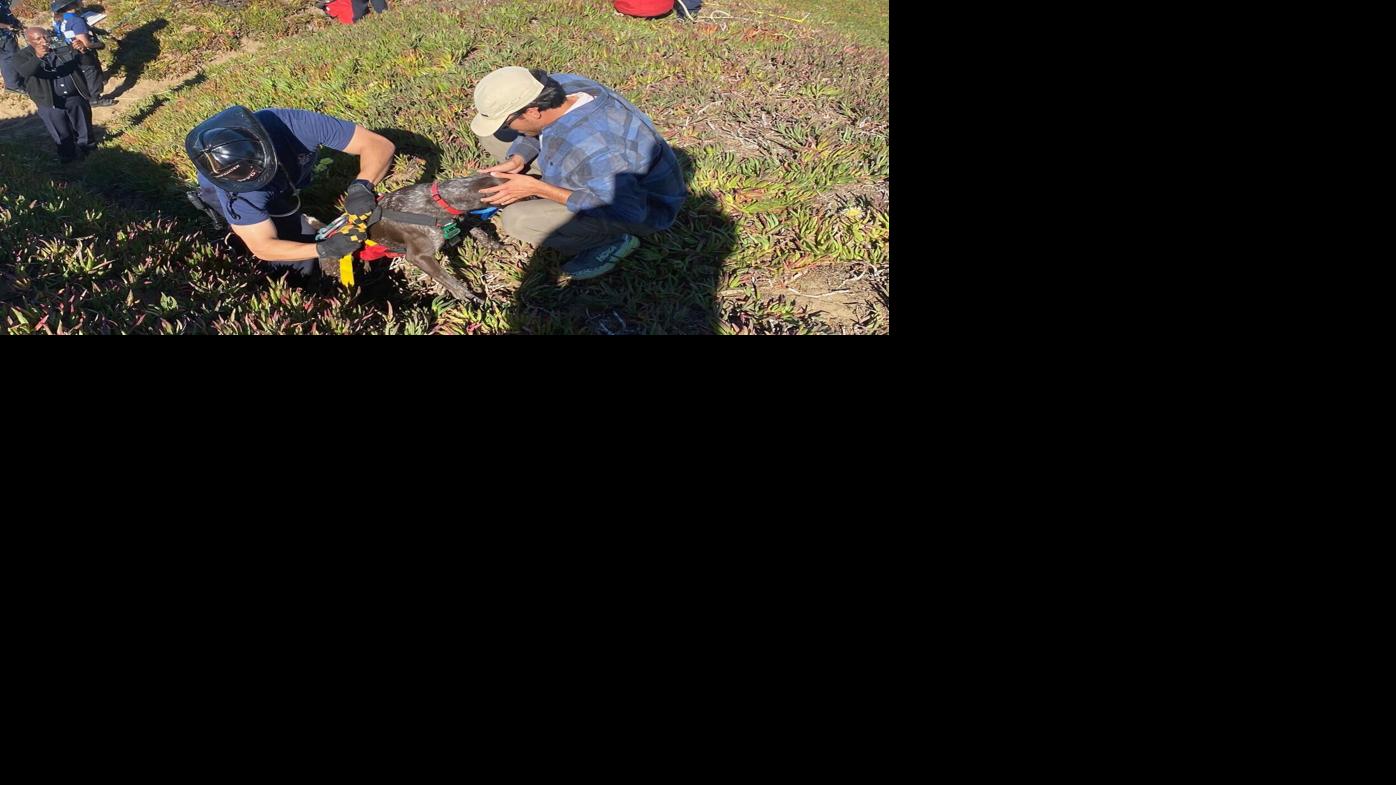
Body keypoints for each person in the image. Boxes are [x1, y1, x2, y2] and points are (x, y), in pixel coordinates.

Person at [470, 67, 687, 280]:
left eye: (509, 121)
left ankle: (612, 242)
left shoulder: (598, 146)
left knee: (519, 220)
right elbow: (538, 130)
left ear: (533, 111)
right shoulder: (557, 87)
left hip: (638, 208)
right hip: (591, 169)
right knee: (496, 136)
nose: (509, 127)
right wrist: (519, 156)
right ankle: (543, 183)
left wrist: (537, 188)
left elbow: (627, 209)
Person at [185, 105, 396, 275]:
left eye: (257, 170)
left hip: (288, 181)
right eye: (247, 178)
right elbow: (263, 246)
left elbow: (378, 145)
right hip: (244, 200)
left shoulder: (291, 124)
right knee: (297, 259)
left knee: (294, 217)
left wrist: (362, 186)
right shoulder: (236, 194)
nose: (255, 178)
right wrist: (322, 249)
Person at [12, 26, 94, 163]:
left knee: (84, 127)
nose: (44, 41)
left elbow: (87, 64)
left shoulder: (62, 45)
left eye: (46, 37)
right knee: (61, 133)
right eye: (38, 39)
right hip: (49, 101)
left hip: (75, 96)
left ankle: (90, 153)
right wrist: (38, 57)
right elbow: (25, 72)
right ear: (29, 41)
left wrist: (83, 51)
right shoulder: (21, 56)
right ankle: (68, 158)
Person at [51, 2, 113, 107]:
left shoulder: (58, 19)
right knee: (92, 74)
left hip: (68, 52)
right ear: (71, 5)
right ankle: (95, 99)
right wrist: (100, 45)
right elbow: (86, 44)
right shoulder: (76, 20)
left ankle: (88, 95)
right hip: (82, 53)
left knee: (82, 75)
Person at [1, 0, 23, 93]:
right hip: (3, 37)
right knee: (9, 59)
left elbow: (8, 14)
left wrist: (17, 23)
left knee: (9, 59)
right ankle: (13, 86)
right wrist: (8, 26)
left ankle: (16, 82)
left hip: (6, 35)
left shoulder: (3, 3)